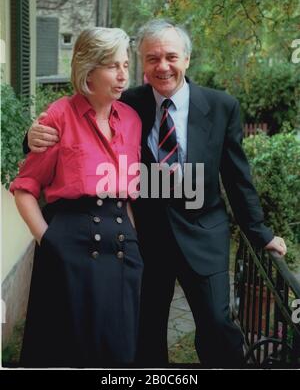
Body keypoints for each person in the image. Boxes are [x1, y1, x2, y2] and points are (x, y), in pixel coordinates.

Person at [25, 20, 287, 368]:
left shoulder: (222, 107)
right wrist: (29, 138)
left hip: (203, 235)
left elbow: (238, 180)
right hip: (147, 237)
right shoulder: (128, 103)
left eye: (170, 57)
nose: (162, 66)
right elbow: (61, 135)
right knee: (145, 333)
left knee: (218, 326)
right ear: (143, 65)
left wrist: (260, 234)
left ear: (187, 60)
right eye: (152, 59)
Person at [10, 27, 144, 368]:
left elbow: (126, 193)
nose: (123, 74)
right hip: (70, 242)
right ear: (88, 69)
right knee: (68, 349)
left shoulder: (131, 120)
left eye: (126, 64)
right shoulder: (58, 115)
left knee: (119, 351)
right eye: (113, 65)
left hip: (122, 246)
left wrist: (134, 239)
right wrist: (48, 240)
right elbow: (25, 186)